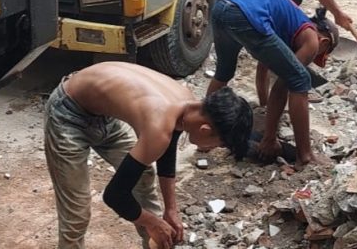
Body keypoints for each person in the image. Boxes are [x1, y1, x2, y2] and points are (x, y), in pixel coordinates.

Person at [44, 62, 252, 249]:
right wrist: (153, 222)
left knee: (143, 179)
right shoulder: (159, 125)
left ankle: (157, 242)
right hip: (68, 113)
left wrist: (171, 209)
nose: (215, 148)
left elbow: (167, 153)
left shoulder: (186, 103)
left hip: (104, 115)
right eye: (219, 144)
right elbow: (115, 195)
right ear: (206, 130)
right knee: (77, 213)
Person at [205, 0, 339, 168]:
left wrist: (263, 106)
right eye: (320, 55)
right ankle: (305, 156)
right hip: (244, 14)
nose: (314, 57)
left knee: (224, 72)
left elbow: (263, 68)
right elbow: (282, 86)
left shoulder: (287, 24)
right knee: (300, 79)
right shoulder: (312, 39)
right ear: (324, 41)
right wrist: (269, 137)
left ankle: (204, 132)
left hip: (222, 7)